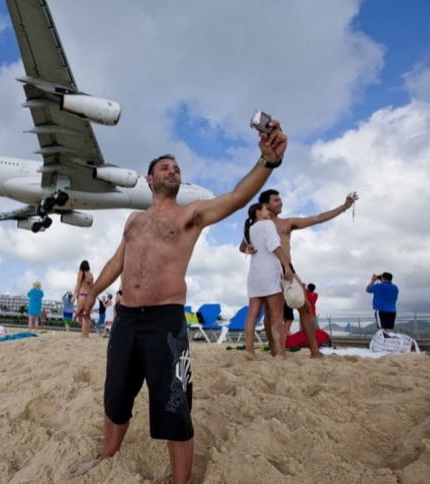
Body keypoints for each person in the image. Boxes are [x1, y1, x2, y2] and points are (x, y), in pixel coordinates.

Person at [70, 116, 287, 483]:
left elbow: (236, 198)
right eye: (164, 167)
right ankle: (108, 457)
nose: (172, 171)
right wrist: (90, 295)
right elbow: (115, 261)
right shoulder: (134, 221)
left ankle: (180, 481)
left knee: (174, 403)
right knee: (116, 395)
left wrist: (267, 161)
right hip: (125, 318)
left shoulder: (192, 215)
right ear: (150, 179)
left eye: (176, 168)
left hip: (165, 322)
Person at [240, 189, 357, 357]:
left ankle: (314, 350)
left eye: (281, 199)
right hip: (269, 269)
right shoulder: (258, 225)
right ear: (265, 205)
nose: (280, 202)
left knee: (305, 306)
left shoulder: (287, 223)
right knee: (271, 313)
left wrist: (343, 207)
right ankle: (276, 351)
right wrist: (248, 248)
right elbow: (243, 245)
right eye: (276, 200)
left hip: (287, 268)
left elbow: (316, 219)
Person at [242, 203, 293, 359]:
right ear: (258, 212)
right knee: (277, 316)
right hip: (269, 273)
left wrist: (246, 249)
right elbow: (275, 246)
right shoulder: (268, 224)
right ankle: (281, 353)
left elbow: (241, 247)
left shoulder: (250, 229)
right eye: (265, 209)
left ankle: (250, 351)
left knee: (252, 314)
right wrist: (286, 266)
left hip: (255, 275)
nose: (269, 211)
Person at [74, 260, 94, 338]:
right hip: (88, 296)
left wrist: (74, 294)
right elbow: (92, 286)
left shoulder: (81, 273)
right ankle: (86, 334)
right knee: (87, 315)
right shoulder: (91, 275)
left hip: (82, 295)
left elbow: (78, 284)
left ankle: (83, 334)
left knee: (82, 315)